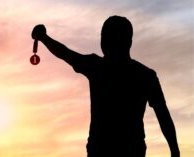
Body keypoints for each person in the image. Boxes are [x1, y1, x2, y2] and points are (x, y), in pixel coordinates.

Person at [31, 15, 180, 157]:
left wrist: (43, 38)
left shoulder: (97, 67)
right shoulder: (145, 75)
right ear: (129, 42)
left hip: (102, 150)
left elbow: (65, 54)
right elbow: (163, 115)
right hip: (131, 150)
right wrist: (175, 151)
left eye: (107, 37)